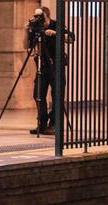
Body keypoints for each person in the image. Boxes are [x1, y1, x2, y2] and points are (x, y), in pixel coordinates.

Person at [28, 6, 75, 135]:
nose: (39, 20)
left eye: (41, 18)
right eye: (37, 17)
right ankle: (42, 123)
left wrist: (55, 33)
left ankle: (54, 124)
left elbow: (71, 38)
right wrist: (27, 32)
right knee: (38, 95)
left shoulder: (56, 25)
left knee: (57, 96)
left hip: (57, 66)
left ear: (47, 16)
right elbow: (28, 46)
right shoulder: (36, 28)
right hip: (42, 66)